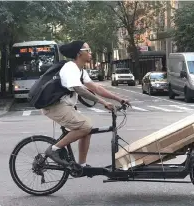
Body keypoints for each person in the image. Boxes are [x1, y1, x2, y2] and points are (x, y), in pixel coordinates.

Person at [43, 40, 131, 168]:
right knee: (85, 125)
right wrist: (103, 102)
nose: (91, 53)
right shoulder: (70, 67)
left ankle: (82, 165)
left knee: (86, 130)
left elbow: (96, 88)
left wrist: (119, 99)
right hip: (55, 107)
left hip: (65, 106)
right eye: (88, 51)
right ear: (79, 53)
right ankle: (54, 149)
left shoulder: (81, 71)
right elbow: (79, 89)